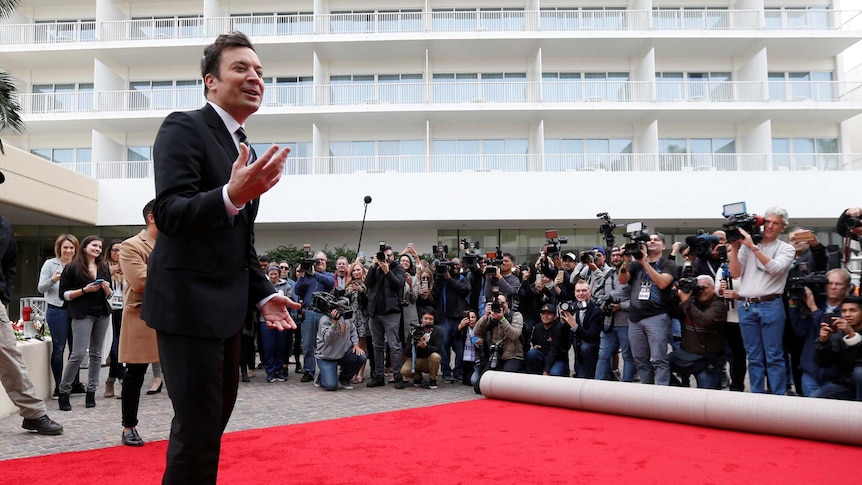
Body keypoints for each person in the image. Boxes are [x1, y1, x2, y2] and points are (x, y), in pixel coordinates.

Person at [141, 31, 297, 484]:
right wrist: (230, 195)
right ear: (210, 81)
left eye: (260, 72)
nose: (255, 78)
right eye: (241, 68)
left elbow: (238, 242)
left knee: (210, 428)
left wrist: (264, 294)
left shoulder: (239, 145)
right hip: (188, 308)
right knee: (197, 431)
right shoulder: (183, 126)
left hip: (226, 314)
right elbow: (168, 213)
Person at [0, 171, 64, 435]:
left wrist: (3, 297)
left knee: (10, 356)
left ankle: (33, 414)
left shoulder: (4, 225)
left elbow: (9, 265)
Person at [727, 207, 795, 395]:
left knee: (774, 355)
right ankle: (756, 399)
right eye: (767, 222)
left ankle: (778, 397)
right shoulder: (746, 246)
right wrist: (734, 245)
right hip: (746, 304)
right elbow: (735, 273)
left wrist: (753, 247)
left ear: (783, 227)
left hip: (771, 304)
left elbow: (776, 268)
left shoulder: (786, 248)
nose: (770, 226)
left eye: (775, 223)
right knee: (754, 356)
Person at [118, 199, 159, 447]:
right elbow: (141, 281)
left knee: (179, 375)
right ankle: (128, 427)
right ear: (152, 217)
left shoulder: (176, 243)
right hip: (142, 316)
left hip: (174, 315)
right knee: (135, 373)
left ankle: (184, 425)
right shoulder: (131, 245)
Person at [57, 235, 113, 410]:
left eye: (99, 247)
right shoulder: (73, 268)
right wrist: (84, 290)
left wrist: (105, 288)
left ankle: (91, 392)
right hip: (82, 314)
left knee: (97, 354)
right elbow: (63, 295)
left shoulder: (104, 267)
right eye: (94, 245)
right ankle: (64, 391)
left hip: (102, 313)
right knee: (78, 353)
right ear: (85, 246)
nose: (97, 249)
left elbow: (110, 295)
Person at [618, 233, 677, 385]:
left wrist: (645, 263)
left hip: (656, 317)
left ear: (663, 246)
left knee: (659, 359)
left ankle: (662, 395)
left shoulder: (667, 264)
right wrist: (625, 261)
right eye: (649, 240)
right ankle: (647, 393)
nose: (652, 241)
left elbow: (663, 283)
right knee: (640, 360)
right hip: (635, 318)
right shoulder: (635, 264)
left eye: (656, 240)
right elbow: (622, 279)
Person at [788, 269, 849, 396]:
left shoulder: (849, 310)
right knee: (810, 412)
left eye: (838, 284)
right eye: (830, 283)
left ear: (847, 287)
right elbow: (800, 331)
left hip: (834, 376)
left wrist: (813, 308)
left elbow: (832, 333)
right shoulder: (818, 304)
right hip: (810, 371)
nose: (833, 287)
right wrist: (793, 307)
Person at [37, 233, 84, 398]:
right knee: (59, 348)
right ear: (59, 248)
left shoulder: (79, 265)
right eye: (65, 247)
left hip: (76, 310)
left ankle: (74, 384)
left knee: (76, 349)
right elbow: (41, 288)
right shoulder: (50, 264)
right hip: (57, 310)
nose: (68, 251)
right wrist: (53, 280)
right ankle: (59, 386)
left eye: (71, 248)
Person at [669, 275, 728, 389]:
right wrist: (676, 296)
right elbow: (673, 313)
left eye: (704, 288)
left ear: (713, 288)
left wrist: (686, 301)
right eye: (698, 288)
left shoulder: (719, 305)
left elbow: (703, 320)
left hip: (707, 359)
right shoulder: (692, 301)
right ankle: (680, 393)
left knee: (707, 399)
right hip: (685, 355)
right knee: (660, 367)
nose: (701, 291)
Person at [365, 244, 407, 389]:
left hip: (391, 312)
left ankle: (398, 376)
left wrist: (387, 272)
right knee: (377, 346)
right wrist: (372, 267)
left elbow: (399, 284)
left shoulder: (398, 268)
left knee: (394, 345)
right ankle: (379, 376)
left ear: (393, 256)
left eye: (389, 255)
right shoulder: (375, 268)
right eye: (384, 256)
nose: (387, 258)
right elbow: (367, 283)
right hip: (375, 312)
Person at [811, 293, 862, 401]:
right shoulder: (838, 335)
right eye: (844, 311)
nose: (847, 315)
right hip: (846, 385)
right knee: (815, 399)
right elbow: (823, 363)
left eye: (853, 310)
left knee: (859, 372)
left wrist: (852, 336)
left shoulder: (847, 332)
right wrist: (824, 342)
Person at [595, 246, 635, 382]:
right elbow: (599, 295)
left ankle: (626, 387)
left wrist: (620, 306)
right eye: (613, 255)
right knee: (603, 355)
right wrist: (603, 306)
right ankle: (597, 385)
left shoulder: (632, 274)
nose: (616, 258)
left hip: (626, 323)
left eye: (619, 255)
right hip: (608, 323)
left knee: (627, 356)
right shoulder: (607, 274)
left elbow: (637, 300)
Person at [294, 251, 335, 383]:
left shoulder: (329, 275)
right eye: (317, 260)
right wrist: (301, 276)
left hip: (324, 313)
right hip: (309, 312)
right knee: (307, 344)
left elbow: (330, 284)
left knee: (326, 343)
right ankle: (308, 371)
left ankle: (326, 371)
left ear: (326, 262)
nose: (320, 262)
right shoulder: (306, 276)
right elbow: (297, 291)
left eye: (322, 260)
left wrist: (314, 274)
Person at [314, 298, 366, 391]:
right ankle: (322, 377)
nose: (343, 311)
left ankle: (344, 379)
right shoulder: (325, 320)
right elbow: (329, 340)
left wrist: (355, 344)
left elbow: (353, 331)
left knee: (361, 356)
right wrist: (334, 324)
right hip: (326, 357)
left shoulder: (347, 318)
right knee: (331, 386)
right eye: (341, 308)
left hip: (343, 353)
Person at [561, 280, 603, 379]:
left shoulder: (596, 310)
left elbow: (591, 337)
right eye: (578, 291)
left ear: (590, 292)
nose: (581, 294)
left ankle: (591, 374)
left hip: (592, 346)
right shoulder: (573, 306)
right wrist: (563, 321)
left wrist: (574, 325)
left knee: (585, 347)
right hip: (577, 344)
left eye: (584, 291)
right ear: (574, 293)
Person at [260, 265, 293, 382]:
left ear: (279, 274)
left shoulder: (286, 286)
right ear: (268, 275)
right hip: (266, 320)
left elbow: (287, 302)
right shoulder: (263, 286)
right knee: (268, 346)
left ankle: (280, 370)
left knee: (280, 346)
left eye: (275, 274)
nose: (273, 276)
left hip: (282, 320)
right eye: (271, 274)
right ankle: (270, 371)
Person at [104, 239, 127, 398]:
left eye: (120, 250)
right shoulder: (104, 267)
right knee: (113, 345)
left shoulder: (128, 266)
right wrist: (108, 273)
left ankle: (110, 381)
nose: (117, 253)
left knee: (119, 345)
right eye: (114, 250)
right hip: (107, 310)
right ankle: (123, 379)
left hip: (124, 311)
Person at [401, 309, 444, 388]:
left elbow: (438, 349)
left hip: (429, 360)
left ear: (434, 320)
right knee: (404, 370)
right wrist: (413, 342)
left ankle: (433, 379)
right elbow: (407, 353)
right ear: (421, 319)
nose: (428, 321)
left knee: (436, 356)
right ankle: (418, 378)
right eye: (425, 318)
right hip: (416, 359)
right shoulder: (415, 331)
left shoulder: (438, 331)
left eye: (430, 319)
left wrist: (426, 347)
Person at [524, 303, 570, 376]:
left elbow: (554, 350)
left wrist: (546, 370)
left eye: (549, 314)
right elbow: (534, 341)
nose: (545, 316)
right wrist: (535, 346)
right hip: (543, 356)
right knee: (531, 354)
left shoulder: (559, 328)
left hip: (557, 359)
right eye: (543, 314)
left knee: (555, 373)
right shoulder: (537, 327)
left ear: (555, 317)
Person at [345, 261, 370, 383]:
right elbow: (343, 302)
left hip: (362, 318)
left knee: (361, 345)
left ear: (363, 271)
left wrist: (361, 291)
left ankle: (360, 373)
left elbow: (368, 302)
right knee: (351, 345)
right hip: (350, 318)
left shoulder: (367, 285)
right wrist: (348, 292)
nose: (356, 272)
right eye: (354, 270)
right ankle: (352, 371)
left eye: (358, 270)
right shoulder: (348, 285)